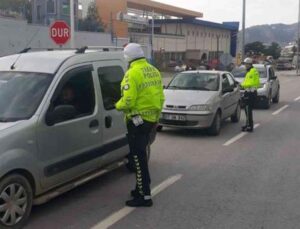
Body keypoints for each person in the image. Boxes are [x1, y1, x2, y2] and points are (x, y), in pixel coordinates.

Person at [115, 43, 165, 207]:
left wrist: (117, 105)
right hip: (150, 120)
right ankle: (140, 189)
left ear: (128, 57)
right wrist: (156, 118)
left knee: (138, 159)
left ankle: (144, 197)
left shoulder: (132, 73)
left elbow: (128, 101)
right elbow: (161, 98)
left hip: (137, 121)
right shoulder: (153, 71)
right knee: (141, 156)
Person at [241, 57, 260, 132]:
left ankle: (249, 126)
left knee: (248, 110)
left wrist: (242, 85)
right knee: (246, 110)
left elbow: (252, 82)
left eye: (246, 64)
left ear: (249, 64)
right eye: (245, 64)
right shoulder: (249, 71)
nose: (245, 65)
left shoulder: (252, 71)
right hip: (248, 92)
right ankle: (247, 124)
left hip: (250, 93)